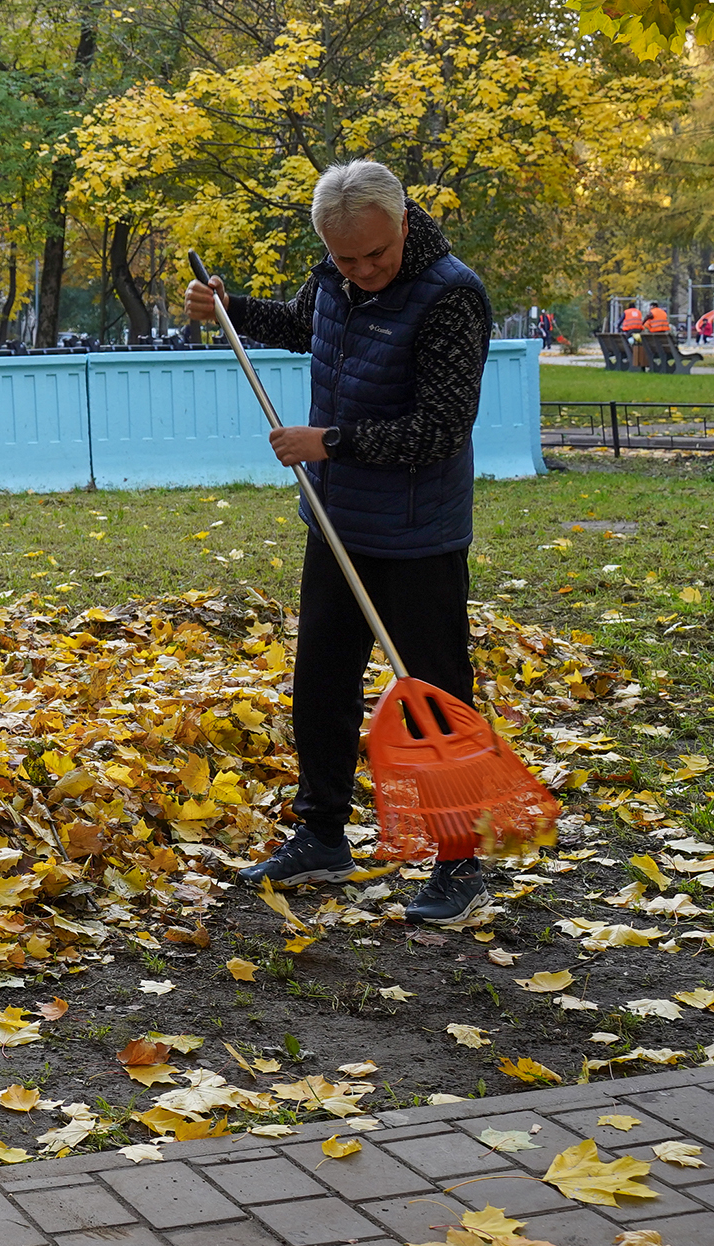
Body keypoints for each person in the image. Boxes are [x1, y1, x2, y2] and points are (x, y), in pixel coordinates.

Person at [183, 160, 498, 927]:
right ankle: (322, 833)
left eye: (374, 257)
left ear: (402, 224)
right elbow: (305, 326)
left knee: (433, 697)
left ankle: (461, 861)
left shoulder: (452, 296)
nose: (359, 272)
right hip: (337, 522)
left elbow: (440, 429)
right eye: (344, 258)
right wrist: (229, 307)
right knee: (320, 683)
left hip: (418, 532)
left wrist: (328, 440)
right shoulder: (333, 276)